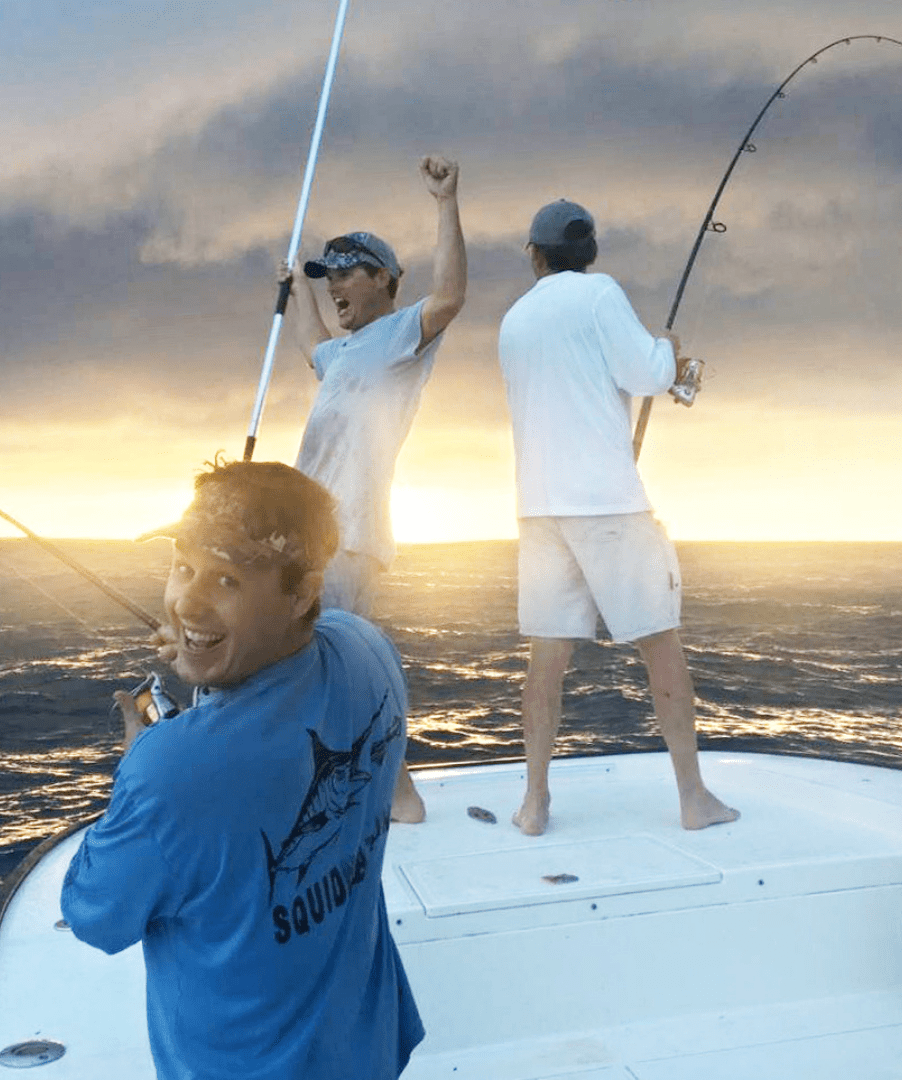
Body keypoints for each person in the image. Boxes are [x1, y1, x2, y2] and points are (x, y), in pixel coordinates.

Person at [61, 459, 424, 1080]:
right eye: (183, 568)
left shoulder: (173, 770)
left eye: (227, 580)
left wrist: (139, 764)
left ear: (302, 593)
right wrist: (210, 657)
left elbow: (96, 918)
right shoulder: (368, 647)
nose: (187, 603)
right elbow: (284, 692)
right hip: (367, 1044)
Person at [498, 198, 740, 836]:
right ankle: (694, 798)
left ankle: (534, 803)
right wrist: (668, 350)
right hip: (607, 502)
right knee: (659, 642)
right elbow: (646, 371)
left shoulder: (514, 320)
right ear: (590, 251)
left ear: (535, 254)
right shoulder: (601, 292)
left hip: (538, 508)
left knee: (546, 658)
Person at [279, 154, 468, 824]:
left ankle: (397, 792)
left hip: (350, 535)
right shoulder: (343, 355)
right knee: (317, 668)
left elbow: (449, 297)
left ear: (383, 277)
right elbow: (308, 338)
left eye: (343, 273)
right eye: (327, 277)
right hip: (308, 538)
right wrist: (296, 278)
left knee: (341, 669)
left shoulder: (398, 336)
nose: (333, 285)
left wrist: (446, 202)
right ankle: (384, 789)